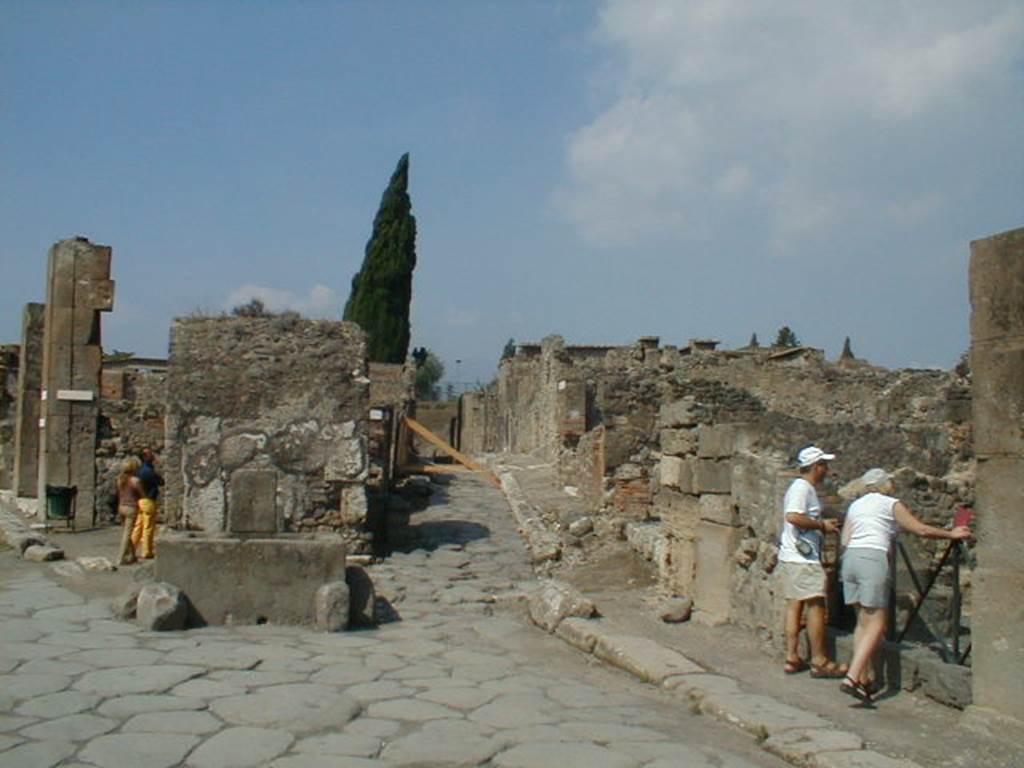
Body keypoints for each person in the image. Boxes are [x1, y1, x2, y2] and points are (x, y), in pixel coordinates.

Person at [838, 468, 972, 703]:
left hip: (850, 560)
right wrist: (950, 534)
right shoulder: (889, 503)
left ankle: (863, 676)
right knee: (878, 622)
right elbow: (920, 529)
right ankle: (851, 677)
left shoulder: (856, 505)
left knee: (863, 621)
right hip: (872, 558)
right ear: (885, 485)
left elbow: (845, 540)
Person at [779, 445, 847, 678]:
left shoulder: (802, 489)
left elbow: (815, 510)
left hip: (791, 556)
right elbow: (794, 516)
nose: (827, 470)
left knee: (794, 604)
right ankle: (819, 659)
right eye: (824, 465)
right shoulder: (802, 488)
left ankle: (791, 656)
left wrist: (832, 515)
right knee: (816, 603)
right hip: (802, 558)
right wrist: (821, 526)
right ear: (816, 467)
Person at [132, 447, 163, 559]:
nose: (153, 455)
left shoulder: (140, 470)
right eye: (150, 454)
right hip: (148, 500)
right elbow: (160, 481)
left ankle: (131, 548)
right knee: (148, 527)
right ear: (145, 457)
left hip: (140, 500)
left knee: (138, 526)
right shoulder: (148, 471)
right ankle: (147, 551)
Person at [115, 457, 144, 565]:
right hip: (131, 507)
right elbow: (142, 495)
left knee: (127, 532)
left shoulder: (119, 479)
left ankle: (132, 556)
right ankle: (121, 558)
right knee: (127, 534)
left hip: (121, 506)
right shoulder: (135, 480)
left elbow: (118, 494)